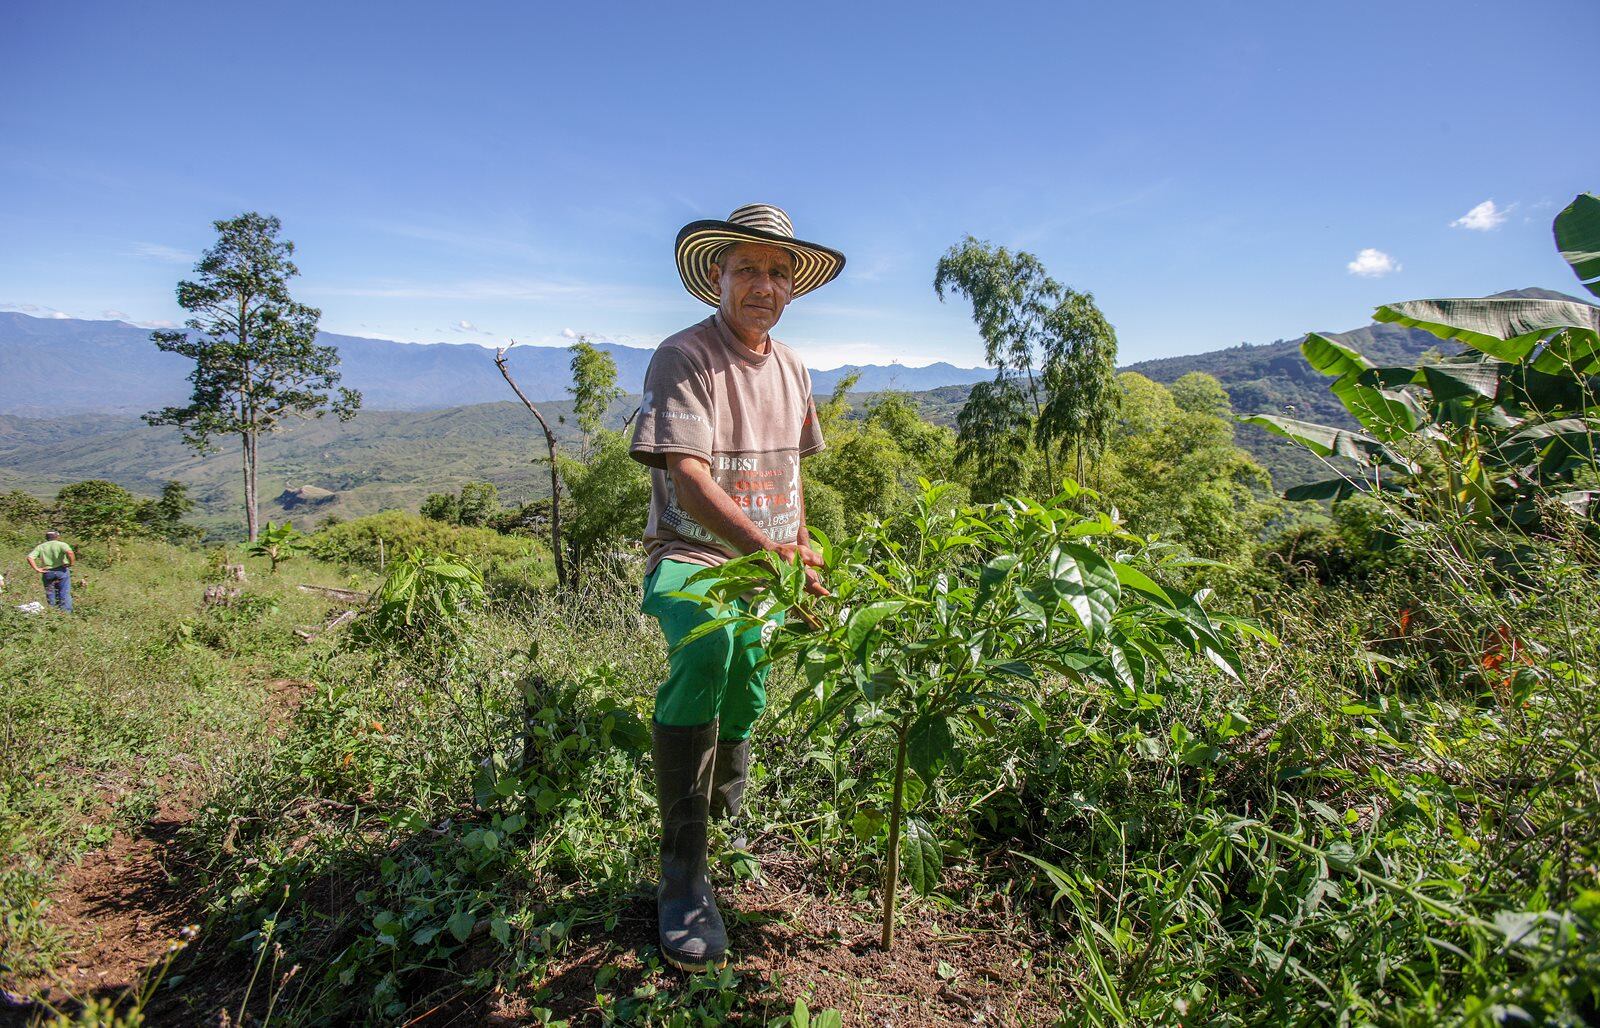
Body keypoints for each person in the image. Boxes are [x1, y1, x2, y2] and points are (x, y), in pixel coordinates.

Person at [629, 203, 844, 971]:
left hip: (769, 556)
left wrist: (803, 548)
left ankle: (727, 821)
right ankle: (683, 873)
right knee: (712, 641)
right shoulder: (683, 355)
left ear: (793, 288)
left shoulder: (791, 367)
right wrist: (772, 555)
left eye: (778, 271)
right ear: (716, 276)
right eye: (747, 268)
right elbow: (687, 484)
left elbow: (791, 475)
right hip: (692, 553)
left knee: (750, 676)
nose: (763, 284)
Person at [27, 530, 76, 612]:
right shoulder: (62, 544)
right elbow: (70, 553)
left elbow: (30, 557)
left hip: (47, 572)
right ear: (57, 537)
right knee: (64, 592)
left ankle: (52, 611)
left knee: (50, 593)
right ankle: (65, 613)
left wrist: (37, 568)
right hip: (61, 570)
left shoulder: (41, 546)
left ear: (46, 538)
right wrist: (71, 563)